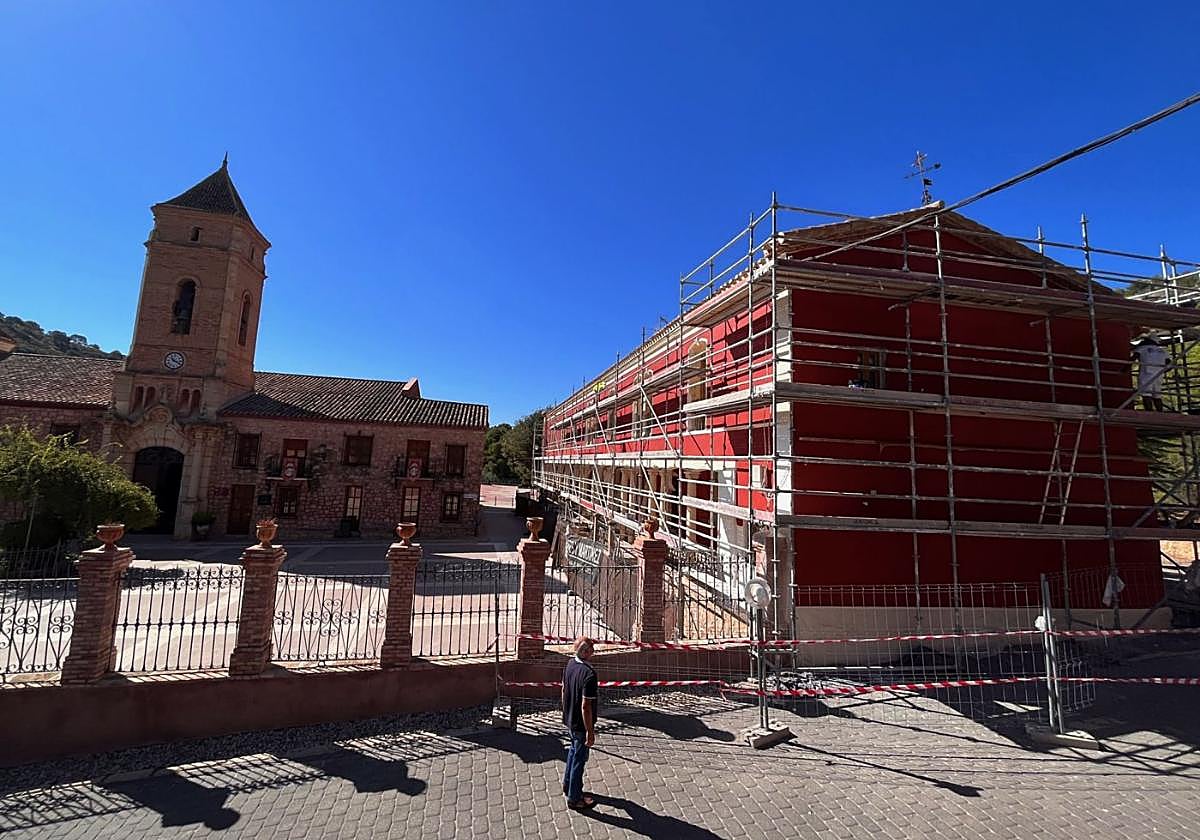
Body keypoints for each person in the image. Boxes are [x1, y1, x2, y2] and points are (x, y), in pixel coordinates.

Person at [562, 636, 598, 811]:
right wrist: (590, 732)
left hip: (570, 719)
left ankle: (567, 784)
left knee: (572, 752)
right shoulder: (589, 675)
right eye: (591, 651)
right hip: (581, 724)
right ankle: (575, 798)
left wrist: (566, 712)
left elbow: (564, 690)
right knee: (579, 760)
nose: (593, 654)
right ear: (585, 652)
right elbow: (586, 706)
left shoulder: (569, 664)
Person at [1133, 336, 1172, 412]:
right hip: (1159, 375)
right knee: (1157, 395)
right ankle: (1160, 413)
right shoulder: (1163, 351)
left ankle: (1149, 412)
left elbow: (1132, 359)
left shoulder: (1142, 348)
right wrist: (1160, 371)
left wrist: (1124, 369)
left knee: (1146, 394)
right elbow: (1170, 365)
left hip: (1146, 374)